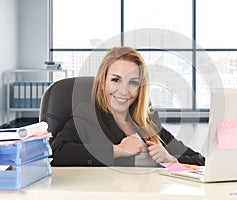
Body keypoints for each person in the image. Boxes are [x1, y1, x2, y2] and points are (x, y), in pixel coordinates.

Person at [51, 46, 205, 167]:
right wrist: (117, 150)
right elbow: (56, 152)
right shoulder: (88, 115)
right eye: (116, 80)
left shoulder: (148, 122)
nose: (124, 91)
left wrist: (170, 159)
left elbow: (199, 160)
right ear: (103, 82)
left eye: (133, 82)